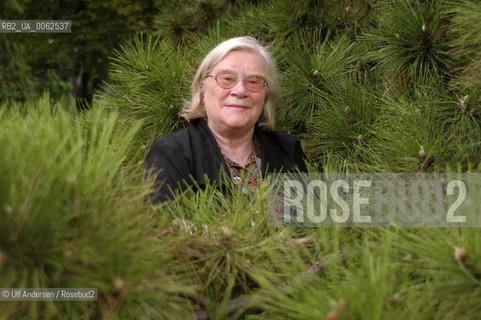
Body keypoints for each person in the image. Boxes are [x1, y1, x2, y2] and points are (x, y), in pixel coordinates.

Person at [145, 36, 307, 203]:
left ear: (266, 96)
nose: (240, 91)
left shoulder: (288, 150)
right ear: (202, 88)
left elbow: (315, 225)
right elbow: (162, 226)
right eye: (227, 79)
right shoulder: (171, 154)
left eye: (253, 81)